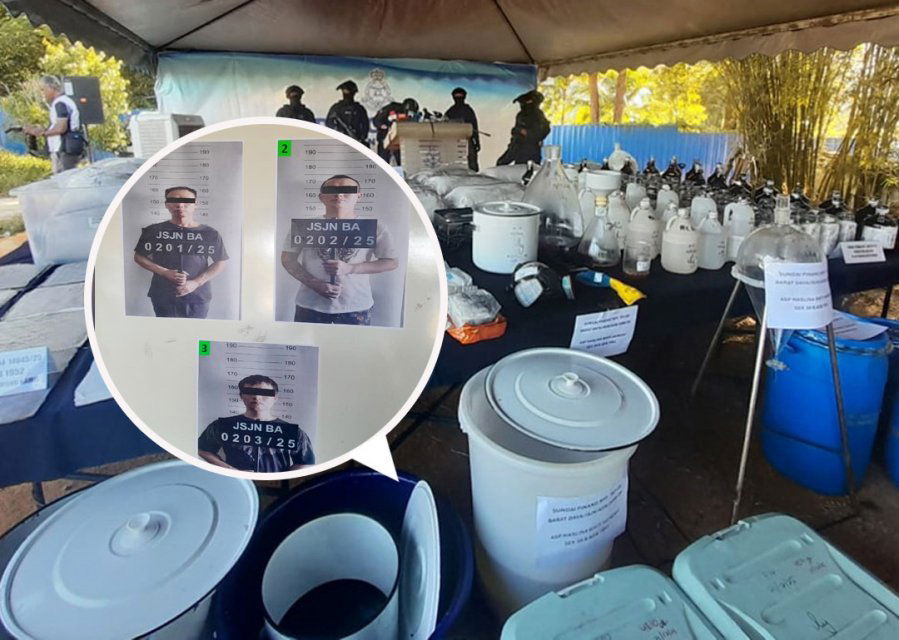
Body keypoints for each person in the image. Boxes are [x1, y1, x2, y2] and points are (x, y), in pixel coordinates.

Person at [281, 174, 398, 326]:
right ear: (321, 197)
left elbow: (391, 262)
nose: (339, 195)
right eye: (331, 190)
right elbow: (287, 259)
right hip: (310, 305)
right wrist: (315, 284)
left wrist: (351, 268)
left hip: (356, 306)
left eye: (347, 190)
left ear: (359, 196)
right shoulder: (303, 227)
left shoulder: (375, 228)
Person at [133, 186, 229, 319]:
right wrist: (164, 272)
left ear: (195, 205)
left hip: (197, 296)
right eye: (174, 201)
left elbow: (221, 261)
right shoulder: (153, 231)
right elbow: (139, 256)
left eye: (186, 201)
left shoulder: (210, 233)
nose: (180, 205)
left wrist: (196, 283)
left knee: (195, 331)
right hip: (163, 295)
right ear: (167, 204)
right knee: (166, 330)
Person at [198, 375, 315, 473]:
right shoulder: (222, 425)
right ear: (241, 396)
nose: (257, 397)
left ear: (275, 398)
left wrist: (278, 478)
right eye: (250, 392)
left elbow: (305, 463)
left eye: (265, 393)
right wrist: (229, 470)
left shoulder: (292, 432)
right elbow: (202, 449)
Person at [23, 75, 83, 173]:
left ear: (51, 87)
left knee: (64, 178)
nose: (42, 93)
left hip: (64, 148)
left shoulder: (60, 103)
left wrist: (42, 133)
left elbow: (61, 128)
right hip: (66, 147)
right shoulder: (63, 101)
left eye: (43, 89)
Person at [496, 90, 551, 166]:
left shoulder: (532, 114)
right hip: (529, 153)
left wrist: (503, 161)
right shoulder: (533, 114)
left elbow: (519, 140)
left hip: (526, 153)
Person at [372, 97, 419, 164]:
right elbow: (376, 120)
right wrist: (383, 126)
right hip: (384, 139)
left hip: (399, 141)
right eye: (409, 112)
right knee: (383, 162)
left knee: (402, 162)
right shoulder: (390, 108)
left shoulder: (410, 116)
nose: (409, 114)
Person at [445, 87, 480, 171]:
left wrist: (476, 141)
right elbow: (445, 125)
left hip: (467, 139)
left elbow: (474, 126)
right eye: (457, 96)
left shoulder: (468, 110)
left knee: (471, 161)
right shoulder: (450, 111)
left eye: (460, 96)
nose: (458, 98)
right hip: (453, 141)